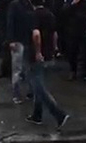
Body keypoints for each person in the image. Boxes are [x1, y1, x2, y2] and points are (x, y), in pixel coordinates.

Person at [26, 0, 71, 130]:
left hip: (36, 55)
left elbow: (36, 34)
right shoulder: (50, 15)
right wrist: (54, 48)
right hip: (48, 52)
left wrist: (38, 52)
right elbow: (55, 34)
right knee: (39, 83)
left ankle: (59, 114)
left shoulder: (33, 15)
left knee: (38, 86)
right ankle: (37, 114)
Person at [7, 0, 35, 103]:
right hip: (18, 40)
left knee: (27, 68)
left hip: (26, 41)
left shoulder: (28, 4)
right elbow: (10, 22)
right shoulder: (15, 5)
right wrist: (11, 40)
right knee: (18, 69)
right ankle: (16, 94)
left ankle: (30, 92)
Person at [63, 0, 86, 80]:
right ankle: (73, 70)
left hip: (85, 29)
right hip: (74, 29)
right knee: (72, 51)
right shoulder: (72, 2)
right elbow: (64, 12)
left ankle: (85, 73)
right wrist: (73, 3)